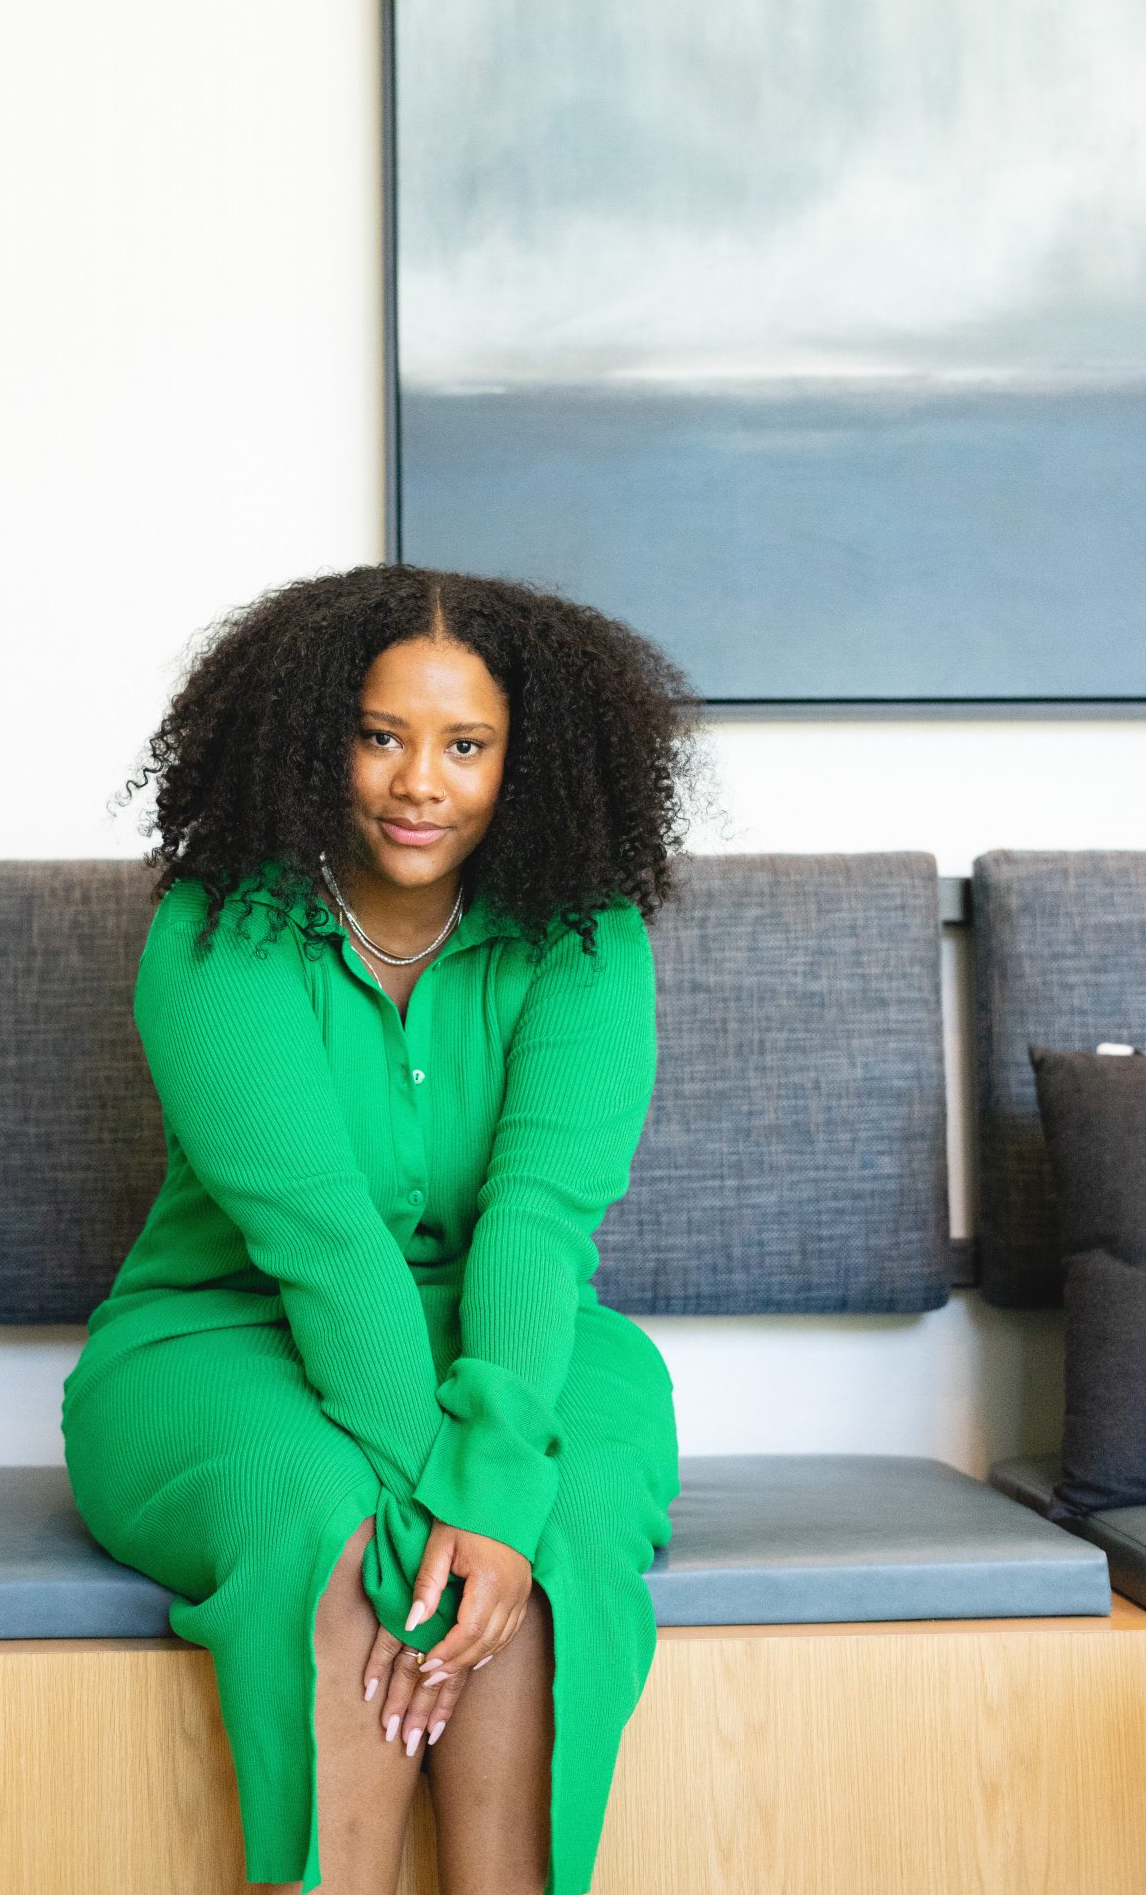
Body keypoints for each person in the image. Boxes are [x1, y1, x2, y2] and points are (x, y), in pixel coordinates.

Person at [61, 563, 714, 1894]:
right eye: (379, 736)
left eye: (467, 745)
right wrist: (450, 1506)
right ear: (314, 742)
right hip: (223, 1335)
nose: (421, 783)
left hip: (520, 1330)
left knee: (552, 1530)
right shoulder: (221, 930)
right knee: (334, 1525)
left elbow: (539, 1220)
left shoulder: (585, 937)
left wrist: (496, 1494)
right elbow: (318, 1240)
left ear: (528, 761)